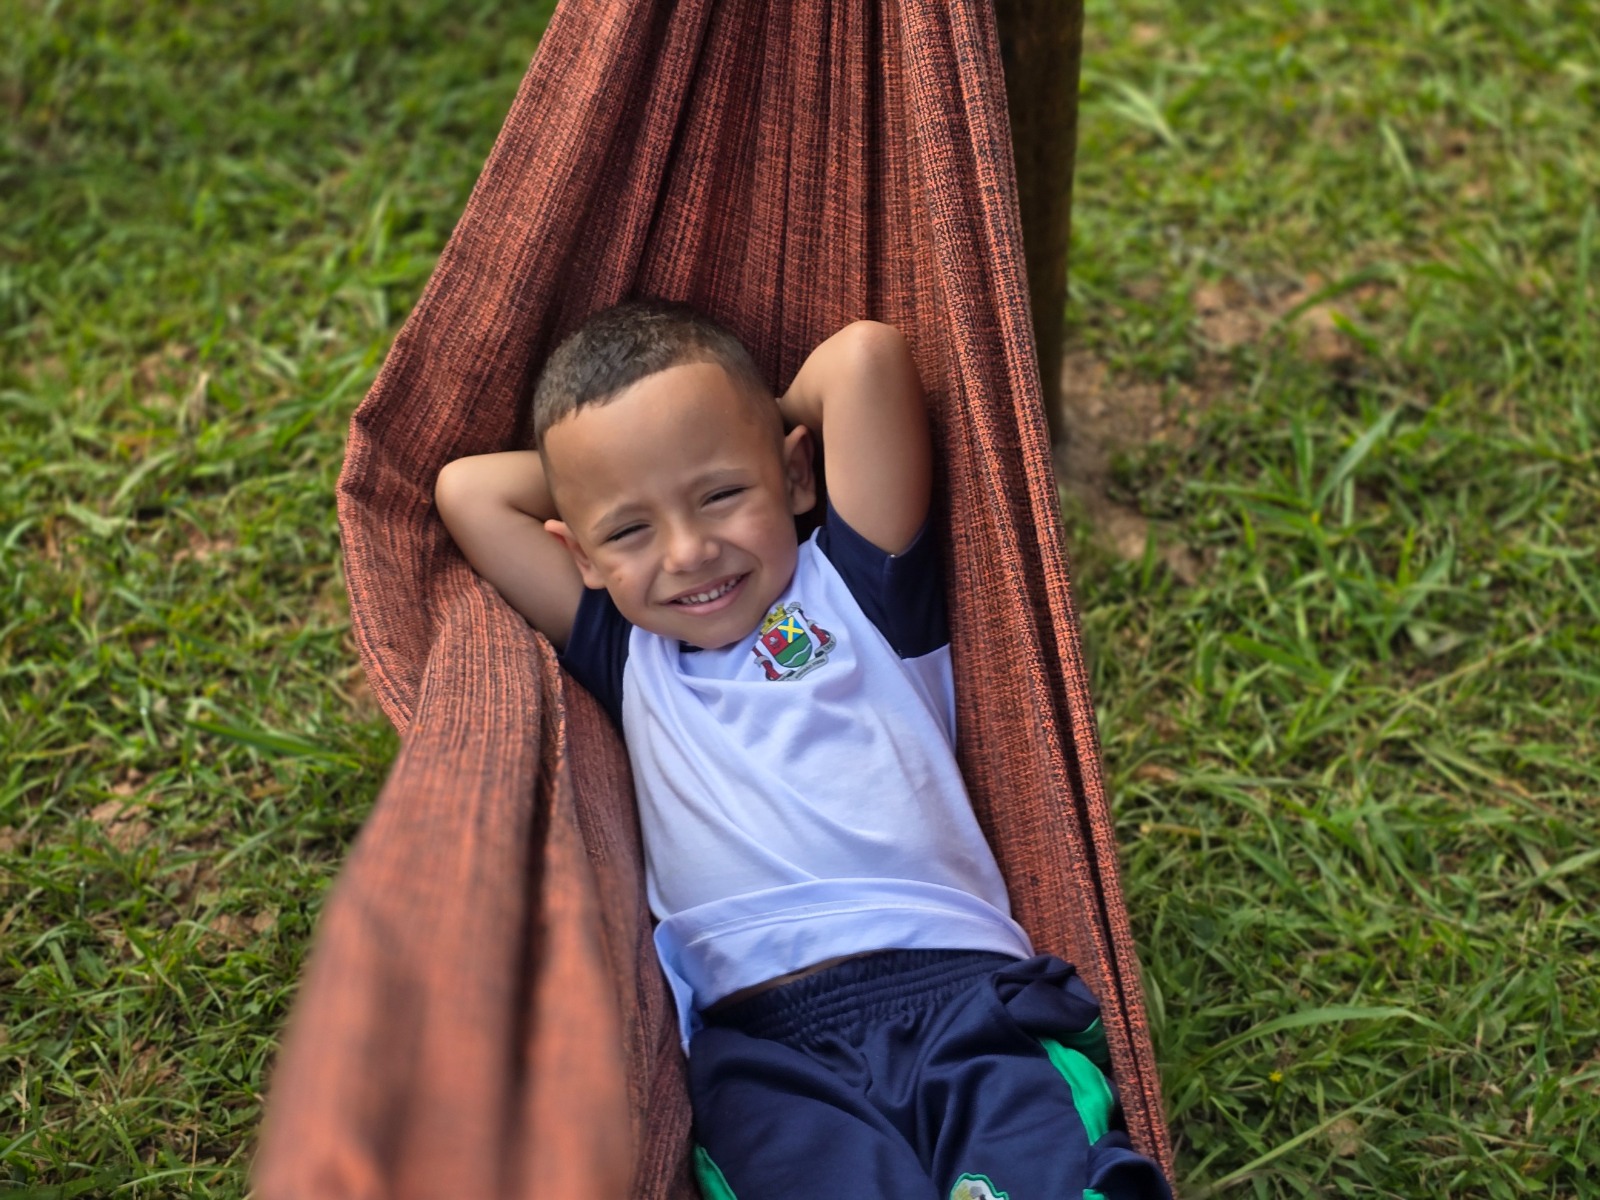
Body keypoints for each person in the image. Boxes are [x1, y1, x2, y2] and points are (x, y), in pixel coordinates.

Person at [434, 301, 1172, 1200]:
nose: (689, 550)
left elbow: (864, 361)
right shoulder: (630, 656)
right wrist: (641, 469)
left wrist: (732, 415)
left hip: (961, 997)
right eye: (629, 531)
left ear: (793, 472)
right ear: (579, 555)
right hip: (761, 1051)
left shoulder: (858, 588)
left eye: (721, 493)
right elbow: (468, 491)